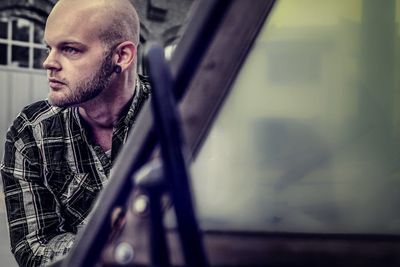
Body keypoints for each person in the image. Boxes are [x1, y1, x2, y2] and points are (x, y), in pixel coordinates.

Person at [1, 0, 150, 266]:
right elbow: (32, 249)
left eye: (70, 49)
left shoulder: (180, 114)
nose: (48, 62)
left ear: (122, 56)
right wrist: (121, 240)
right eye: (49, 48)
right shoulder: (30, 135)